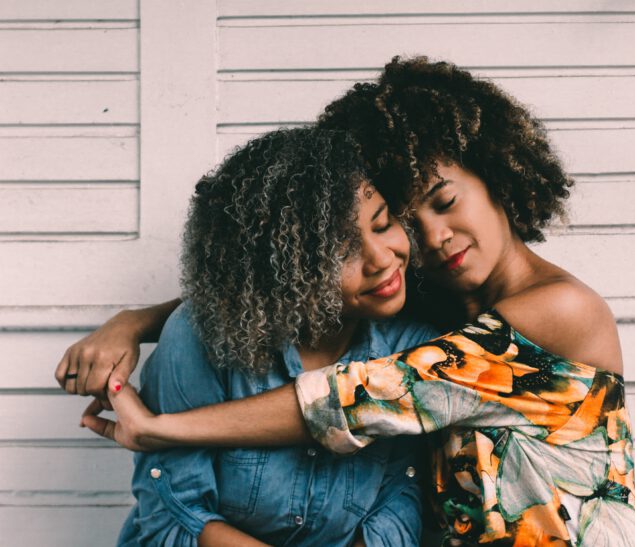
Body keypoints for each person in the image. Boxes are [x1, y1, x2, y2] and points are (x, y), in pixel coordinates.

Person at [60, 57, 635, 546]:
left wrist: (163, 430)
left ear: (497, 173)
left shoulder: (560, 310)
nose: (433, 237)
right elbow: (279, 287)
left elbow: (363, 399)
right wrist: (135, 321)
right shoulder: (447, 309)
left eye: (445, 202)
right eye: (407, 219)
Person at [80, 127, 440, 546]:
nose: (382, 259)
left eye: (382, 225)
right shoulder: (200, 339)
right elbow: (175, 516)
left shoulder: (415, 348)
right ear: (281, 271)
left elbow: (399, 501)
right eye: (341, 252)